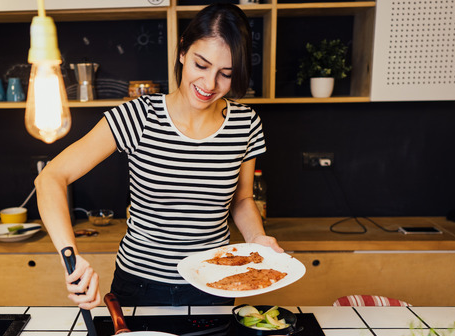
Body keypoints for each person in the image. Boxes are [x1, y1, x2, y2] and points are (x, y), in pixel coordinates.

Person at [35, 3, 282, 309]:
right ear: (182, 52)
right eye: (200, 65)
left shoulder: (246, 123)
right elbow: (51, 178)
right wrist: (70, 257)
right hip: (139, 285)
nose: (209, 85)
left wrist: (256, 238)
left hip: (213, 282)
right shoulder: (138, 116)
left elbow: (242, 199)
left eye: (225, 74)